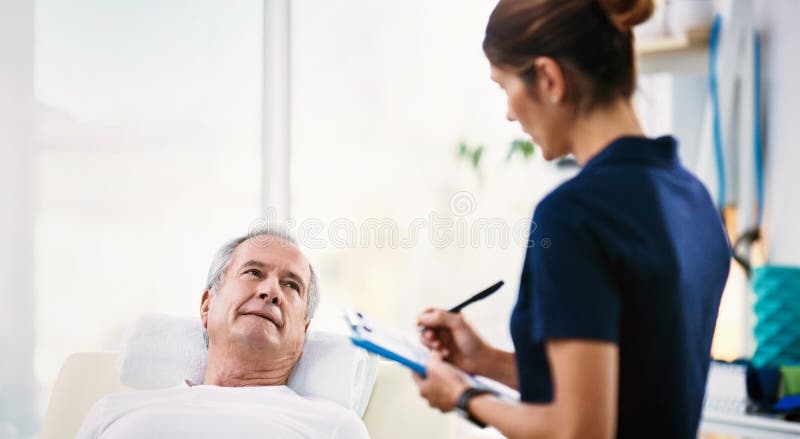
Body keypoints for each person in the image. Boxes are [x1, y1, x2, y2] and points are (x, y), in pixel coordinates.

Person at [411, 1, 731, 438]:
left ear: (548, 78)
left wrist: (464, 397)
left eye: (505, 87)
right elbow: (628, 392)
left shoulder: (573, 216)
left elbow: (579, 431)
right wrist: (485, 363)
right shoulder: (694, 199)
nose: (508, 112)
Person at [77, 228, 369, 438]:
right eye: (254, 272)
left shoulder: (333, 427)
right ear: (207, 305)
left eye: (291, 285)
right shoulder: (113, 412)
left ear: (303, 333)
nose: (270, 291)